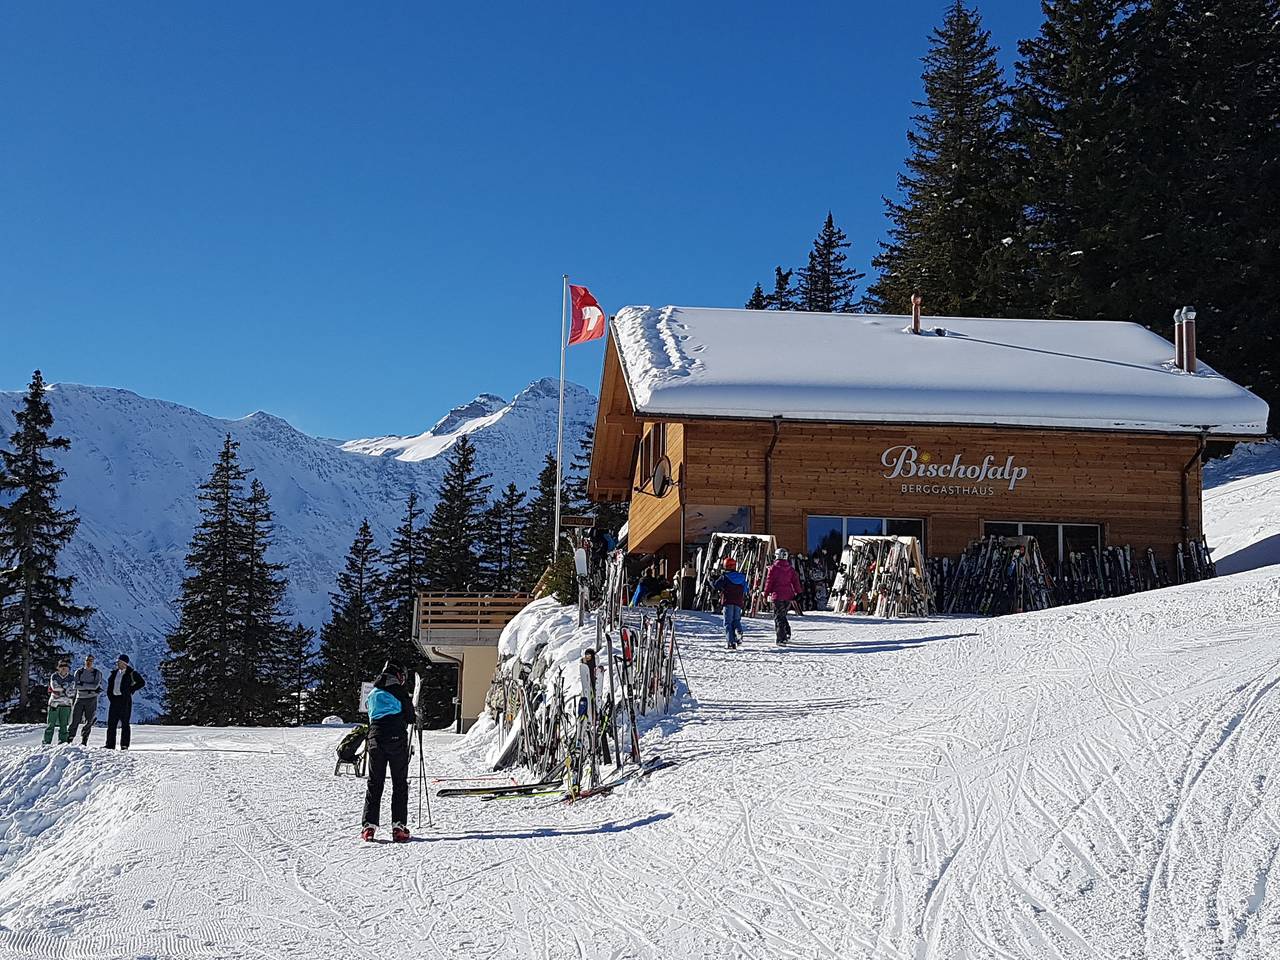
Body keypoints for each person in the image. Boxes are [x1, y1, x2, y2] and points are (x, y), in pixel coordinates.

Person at [361, 660, 417, 843]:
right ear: (399, 675)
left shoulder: (373, 693)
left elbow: (371, 716)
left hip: (375, 739)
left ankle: (369, 826)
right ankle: (398, 826)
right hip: (396, 739)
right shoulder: (399, 692)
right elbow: (410, 717)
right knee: (399, 783)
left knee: (374, 782)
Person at [104, 654, 146, 750]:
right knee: (111, 723)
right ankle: (110, 744)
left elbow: (142, 682)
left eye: (119, 662)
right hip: (114, 699)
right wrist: (110, 695)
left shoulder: (131, 673)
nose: (117, 663)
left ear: (124, 663)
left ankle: (124, 744)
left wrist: (131, 690)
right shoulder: (114, 673)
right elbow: (110, 685)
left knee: (125, 723)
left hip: (125, 700)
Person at [765, 548, 803, 646]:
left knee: (778, 617)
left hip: (777, 596)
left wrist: (766, 594)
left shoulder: (773, 568)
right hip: (788, 596)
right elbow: (795, 582)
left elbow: (769, 582)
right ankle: (787, 632)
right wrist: (799, 593)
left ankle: (781, 638)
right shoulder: (790, 569)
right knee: (782, 615)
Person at [712, 557, 750, 649]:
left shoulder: (724, 577)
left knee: (728, 622)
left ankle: (730, 642)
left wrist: (711, 579)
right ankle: (738, 631)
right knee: (736, 620)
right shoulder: (741, 577)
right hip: (738, 602)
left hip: (728, 601)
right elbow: (746, 589)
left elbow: (715, 586)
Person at [67, 654, 103, 746]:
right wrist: (89, 687)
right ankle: (70, 738)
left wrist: (83, 684)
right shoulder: (79, 672)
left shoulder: (97, 673)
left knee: (89, 720)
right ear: (85, 661)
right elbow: (76, 686)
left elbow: (96, 686)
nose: (88, 662)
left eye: (90, 661)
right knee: (75, 720)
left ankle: (84, 739)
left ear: (93, 662)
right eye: (87, 660)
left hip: (91, 699)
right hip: (79, 698)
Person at [42, 659, 74, 745]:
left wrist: (61, 690)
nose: (63, 668)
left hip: (66, 704)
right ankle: (46, 743)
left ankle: (62, 743)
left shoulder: (72, 678)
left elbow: (72, 691)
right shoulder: (54, 676)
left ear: (68, 668)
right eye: (61, 666)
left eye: (65, 666)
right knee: (50, 725)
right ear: (58, 667)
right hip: (54, 704)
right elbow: (55, 688)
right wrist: (66, 689)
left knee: (64, 726)